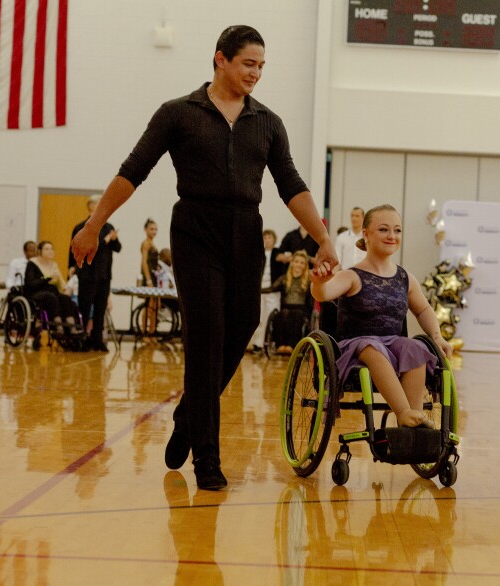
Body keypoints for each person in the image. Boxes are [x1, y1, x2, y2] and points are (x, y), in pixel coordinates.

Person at [70, 25, 337, 490]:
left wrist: (323, 237)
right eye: (248, 63)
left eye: (261, 66)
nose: (255, 73)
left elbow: (291, 184)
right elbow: (133, 170)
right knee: (206, 334)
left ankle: (187, 416)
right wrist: (94, 224)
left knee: (244, 322)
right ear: (220, 59)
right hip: (195, 229)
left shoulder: (268, 123)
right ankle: (207, 459)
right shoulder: (178, 113)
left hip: (246, 229)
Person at [310, 205, 452, 428]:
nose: (392, 236)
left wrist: (437, 336)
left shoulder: (405, 278)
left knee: (416, 348)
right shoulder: (352, 275)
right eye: (384, 229)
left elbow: (424, 310)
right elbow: (324, 293)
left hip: (392, 346)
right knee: (372, 346)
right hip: (355, 348)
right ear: (366, 234)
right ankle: (403, 412)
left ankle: (415, 420)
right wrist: (319, 283)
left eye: (397, 230)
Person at [69, 195, 121, 352]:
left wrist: (114, 239)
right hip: (87, 274)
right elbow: (80, 249)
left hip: (104, 275)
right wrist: (70, 268)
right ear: (91, 206)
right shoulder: (81, 227)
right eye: (100, 204)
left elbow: (117, 248)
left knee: (100, 308)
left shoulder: (108, 226)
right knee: (85, 308)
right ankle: (82, 338)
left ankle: (97, 340)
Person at [322, 206, 366, 335]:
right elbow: (337, 261)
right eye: (352, 215)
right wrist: (332, 279)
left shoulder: (367, 237)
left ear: (363, 218)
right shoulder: (342, 237)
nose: (354, 218)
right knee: (344, 309)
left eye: (357, 216)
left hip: (365, 279)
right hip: (346, 279)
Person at [24, 241, 81, 335]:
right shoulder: (32, 263)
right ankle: (58, 327)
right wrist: (47, 278)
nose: (50, 251)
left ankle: (72, 327)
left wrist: (68, 290)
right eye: (47, 249)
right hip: (36, 293)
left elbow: (61, 284)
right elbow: (30, 283)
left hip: (51, 292)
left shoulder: (54, 265)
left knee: (65, 298)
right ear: (40, 251)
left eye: (51, 249)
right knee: (51, 297)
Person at [261, 249, 312, 354]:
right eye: (296, 261)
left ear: (305, 266)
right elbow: (271, 289)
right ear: (292, 263)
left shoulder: (308, 280)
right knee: (281, 315)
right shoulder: (284, 278)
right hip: (285, 308)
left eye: (302, 263)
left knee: (296, 315)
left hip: (301, 309)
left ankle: (291, 345)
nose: (298, 265)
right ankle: (280, 345)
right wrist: (256, 290)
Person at [248, 229, 284, 353]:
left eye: (270, 237)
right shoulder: (258, 252)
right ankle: (257, 344)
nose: (267, 240)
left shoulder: (278, 253)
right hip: (259, 291)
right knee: (259, 317)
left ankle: (269, 342)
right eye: (265, 237)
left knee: (271, 316)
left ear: (274, 239)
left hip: (272, 291)